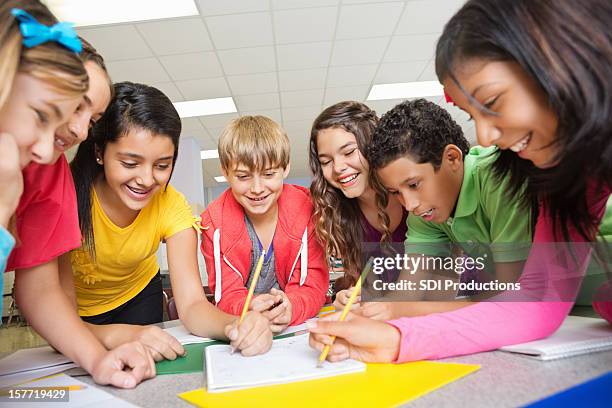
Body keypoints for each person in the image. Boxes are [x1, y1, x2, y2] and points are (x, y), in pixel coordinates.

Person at [308, 0, 612, 363]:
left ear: (559, 57)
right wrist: (394, 336)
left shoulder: (501, 180)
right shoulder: (574, 176)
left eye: (493, 101)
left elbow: (508, 290)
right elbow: (536, 302)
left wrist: (403, 316)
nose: (483, 136)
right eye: (473, 115)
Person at [1, 0, 154, 388]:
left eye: (94, 119)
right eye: (68, 107)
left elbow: (40, 288)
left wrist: (96, 358)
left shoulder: (46, 169)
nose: (81, 132)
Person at [66, 82, 273, 356]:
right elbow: (52, 310)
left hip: (138, 299)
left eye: (162, 165)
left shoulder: (171, 205)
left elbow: (191, 306)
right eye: (130, 164)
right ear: (99, 153)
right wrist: (117, 333)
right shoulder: (66, 195)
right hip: (74, 314)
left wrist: (235, 325)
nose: (146, 179)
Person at [201, 115, 328, 333]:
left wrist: (292, 307)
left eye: (269, 174)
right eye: (243, 176)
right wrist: (248, 307)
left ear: (285, 168)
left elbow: (312, 286)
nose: (257, 188)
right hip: (245, 329)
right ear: (225, 172)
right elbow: (226, 295)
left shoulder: (309, 210)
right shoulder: (214, 222)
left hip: (294, 331)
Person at [309, 101, 407, 315]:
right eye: (326, 161)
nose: (338, 168)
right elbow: (370, 287)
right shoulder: (340, 216)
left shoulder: (412, 196)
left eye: (349, 152)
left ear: (373, 146)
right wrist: (349, 298)